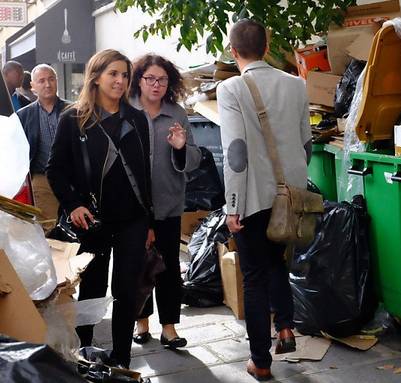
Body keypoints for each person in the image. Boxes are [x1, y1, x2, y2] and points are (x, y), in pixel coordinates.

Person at [217, 19, 312, 381]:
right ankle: (285, 326)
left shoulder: (231, 89)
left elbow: (236, 153)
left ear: (232, 50)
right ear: (268, 45)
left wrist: (233, 206)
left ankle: (261, 360)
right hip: (291, 196)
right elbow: (307, 144)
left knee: (254, 277)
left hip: (252, 197)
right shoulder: (295, 85)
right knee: (278, 263)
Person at [46, 49, 155, 368]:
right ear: (96, 77)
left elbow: (144, 175)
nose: (120, 81)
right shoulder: (73, 118)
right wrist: (73, 204)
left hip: (132, 219)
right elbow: (55, 169)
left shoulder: (136, 119)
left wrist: (149, 220)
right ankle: (85, 351)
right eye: (113, 74)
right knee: (92, 289)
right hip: (91, 219)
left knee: (127, 289)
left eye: (124, 75)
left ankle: (122, 357)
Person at [129, 54, 201, 349]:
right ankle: (141, 321)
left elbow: (196, 159)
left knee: (169, 267)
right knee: (137, 266)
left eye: (162, 79)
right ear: (139, 80)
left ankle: (169, 327)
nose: (156, 85)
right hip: (133, 207)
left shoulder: (177, 114)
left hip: (169, 203)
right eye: (150, 79)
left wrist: (181, 149)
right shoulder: (126, 111)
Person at [16, 64, 71, 230]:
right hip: (42, 179)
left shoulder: (74, 110)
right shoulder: (24, 115)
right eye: (41, 81)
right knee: (49, 226)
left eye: (51, 79)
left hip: (72, 177)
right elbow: (19, 150)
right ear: (33, 86)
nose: (47, 84)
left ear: (57, 81)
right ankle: (54, 256)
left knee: (77, 225)